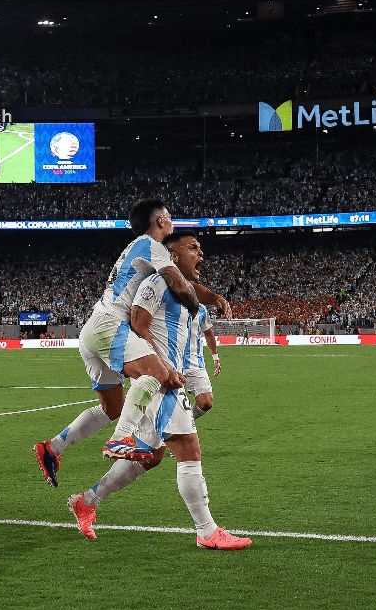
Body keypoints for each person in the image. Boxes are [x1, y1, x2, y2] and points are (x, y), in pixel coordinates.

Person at [66, 232, 251, 550]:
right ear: (173, 256)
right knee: (188, 448)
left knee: (152, 456)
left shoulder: (183, 291)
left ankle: (87, 501)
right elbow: (138, 323)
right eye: (193, 248)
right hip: (160, 381)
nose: (201, 253)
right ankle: (207, 532)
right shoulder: (157, 283)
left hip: (169, 376)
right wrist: (163, 368)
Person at [31, 199, 229, 488]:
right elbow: (179, 283)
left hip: (94, 329)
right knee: (158, 374)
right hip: (110, 326)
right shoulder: (153, 246)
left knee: (113, 408)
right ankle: (119, 440)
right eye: (170, 218)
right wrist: (197, 305)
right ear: (160, 220)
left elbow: (185, 282)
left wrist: (215, 298)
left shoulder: (141, 249)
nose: (172, 223)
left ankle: (52, 448)